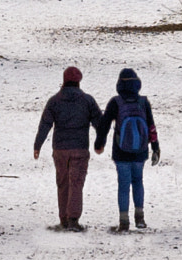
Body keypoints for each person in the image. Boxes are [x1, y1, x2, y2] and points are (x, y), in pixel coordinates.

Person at [33, 65, 105, 230]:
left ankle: (64, 220)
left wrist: (38, 145)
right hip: (80, 149)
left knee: (63, 182)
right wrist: (100, 143)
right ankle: (73, 219)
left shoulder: (54, 101)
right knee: (76, 183)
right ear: (79, 81)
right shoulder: (88, 100)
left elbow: (45, 124)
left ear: (64, 81)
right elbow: (99, 123)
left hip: (60, 149)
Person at [96, 67, 160, 231]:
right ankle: (140, 218)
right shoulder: (143, 102)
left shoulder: (115, 102)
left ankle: (124, 221)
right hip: (140, 151)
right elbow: (151, 126)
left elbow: (104, 125)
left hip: (121, 150)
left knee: (123, 185)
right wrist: (155, 147)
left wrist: (99, 143)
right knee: (138, 182)